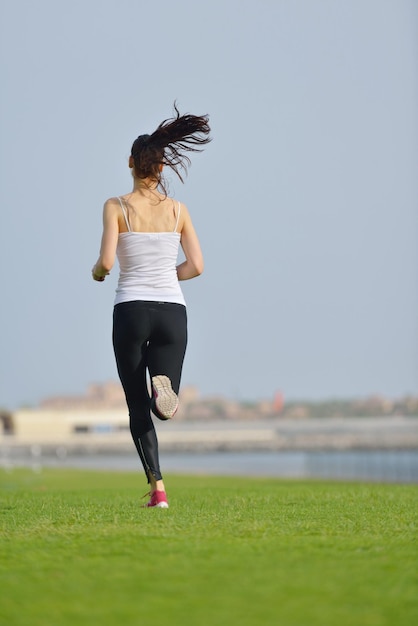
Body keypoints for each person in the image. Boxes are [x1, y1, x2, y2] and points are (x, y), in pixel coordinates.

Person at [92, 104, 211, 508]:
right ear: (161, 168)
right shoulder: (179, 210)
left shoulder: (116, 206)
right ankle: (167, 389)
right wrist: (165, 274)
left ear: (130, 164)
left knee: (135, 404)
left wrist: (96, 271)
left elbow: (107, 262)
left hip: (131, 310)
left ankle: (157, 489)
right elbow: (197, 265)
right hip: (171, 312)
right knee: (164, 403)